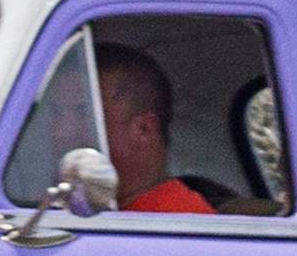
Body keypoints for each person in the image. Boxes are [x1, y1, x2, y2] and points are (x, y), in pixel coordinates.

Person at [95, 47, 222, 215]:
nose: (62, 131)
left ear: (143, 130)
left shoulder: (175, 222)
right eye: (57, 114)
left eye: (83, 114)